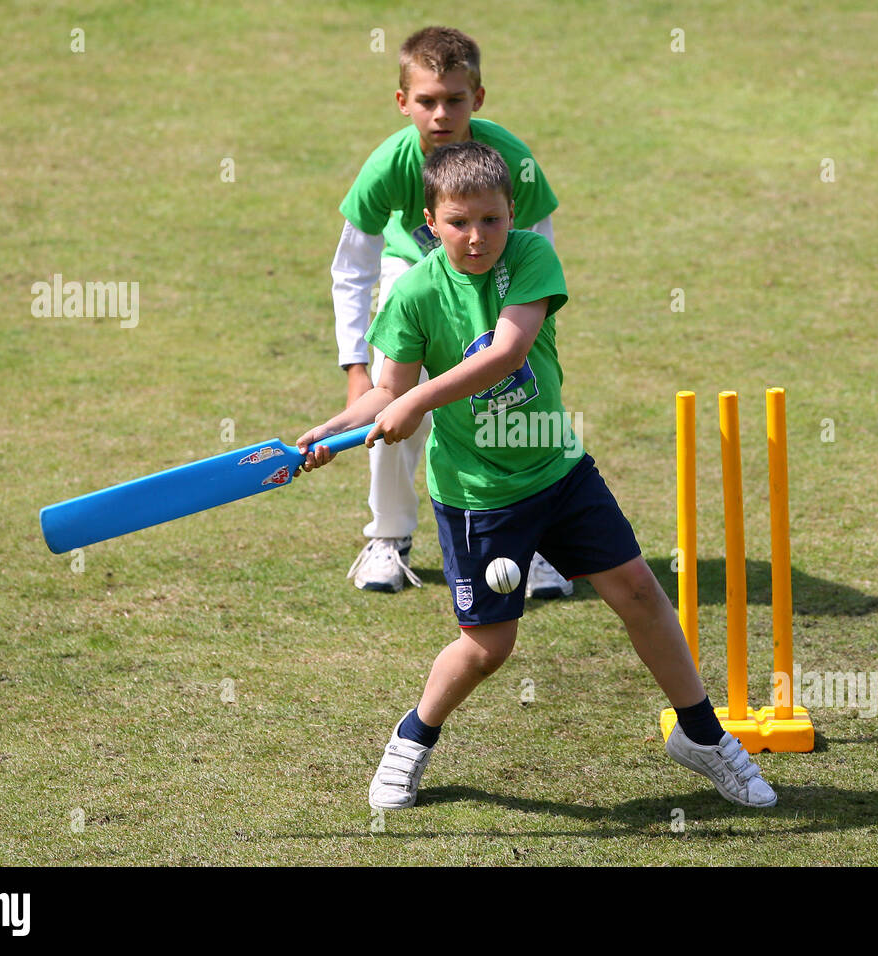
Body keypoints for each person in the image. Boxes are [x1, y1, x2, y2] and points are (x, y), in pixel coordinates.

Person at [297, 141, 778, 812]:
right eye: (460, 222)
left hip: (557, 467)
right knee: (489, 648)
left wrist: (416, 403)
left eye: (491, 220)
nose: (477, 237)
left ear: (510, 215)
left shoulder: (529, 257)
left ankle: (702, 736)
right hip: (479, 496)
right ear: (429, 223)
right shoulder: (410, 295)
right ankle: (411, 739)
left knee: (639, 589)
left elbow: (508, 350)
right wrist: (331, 431)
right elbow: (387, 391)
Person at [331, 25, 571, 598]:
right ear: (402, 102)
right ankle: (388, 537)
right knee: (396, 409)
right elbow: (352, 268)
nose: (441, 113)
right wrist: (355, 368)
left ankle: (531, 541)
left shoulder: (512, 161)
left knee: (514, 393)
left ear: (478, 98)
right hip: (410, 275)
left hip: (497, 274)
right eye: (426, 100)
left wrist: (527, 317)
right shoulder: (387, 166)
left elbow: (537, 241)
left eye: (455, 100)